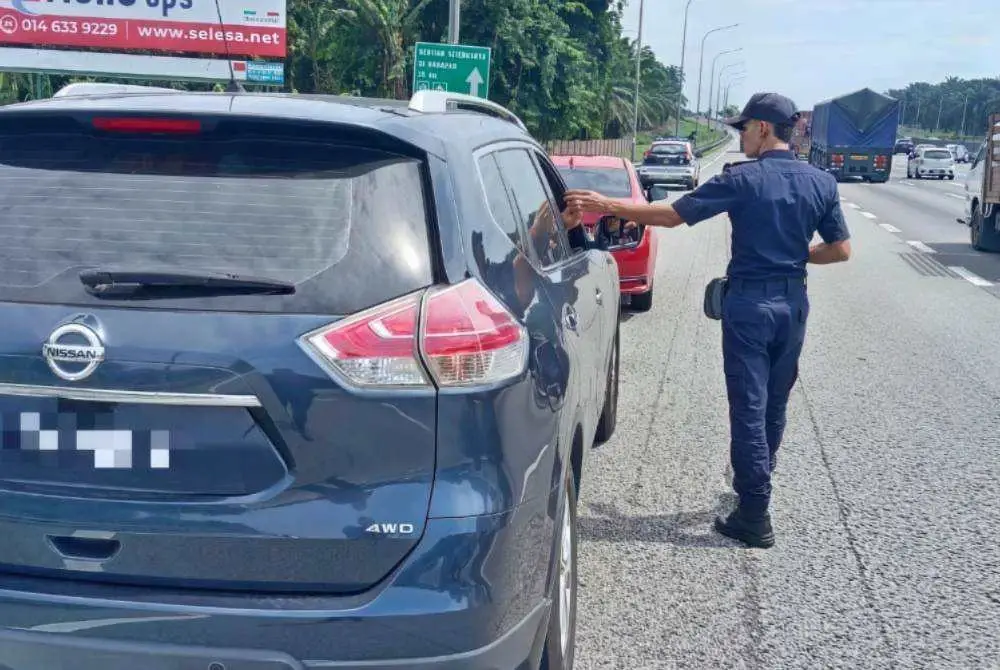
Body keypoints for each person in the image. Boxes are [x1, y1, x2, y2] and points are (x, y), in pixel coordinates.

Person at [564, 92, 852, 549]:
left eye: (743, 128)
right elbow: (840, 250)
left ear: (762, 128)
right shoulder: (821, 182)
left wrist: (609, 205)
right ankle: (759, 482)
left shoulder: (743, 179)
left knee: (749, 408)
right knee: (774, 403)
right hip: (793, 304)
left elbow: (672, 216)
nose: (740, 136)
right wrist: (796, 257)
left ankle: (754, 513)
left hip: (750, 307)